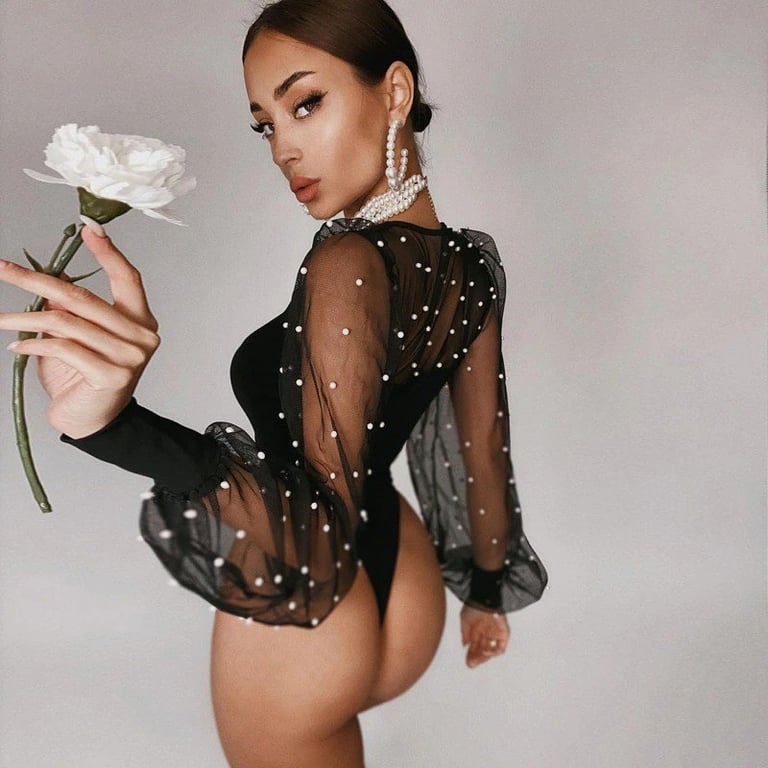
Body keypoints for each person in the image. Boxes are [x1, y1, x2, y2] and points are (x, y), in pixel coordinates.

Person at [0, 0, 547, 765]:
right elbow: (482, 447)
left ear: (394, 91)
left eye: (306, 103)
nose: (283, 149)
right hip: (407, 589)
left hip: (314, 604)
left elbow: (318, 510)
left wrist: (114, 428)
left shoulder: (347, 262)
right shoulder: (471, 268)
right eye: (265, 125)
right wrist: (487, 590)